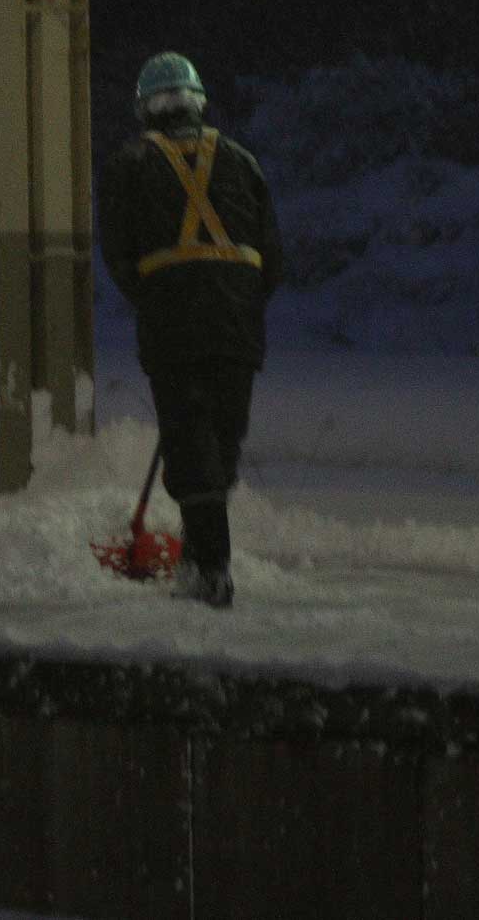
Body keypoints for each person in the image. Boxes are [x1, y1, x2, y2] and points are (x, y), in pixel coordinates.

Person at [97, 52, 283, 609]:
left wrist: (159, 299)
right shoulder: (243, 161)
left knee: (190, 443)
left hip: (174, 323)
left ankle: (208, 572)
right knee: (219, 444)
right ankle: (202, 559)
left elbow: (119, 255)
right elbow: (272, 258)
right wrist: (237, 301)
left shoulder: (130, 163)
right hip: (237, 324)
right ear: (197, 102)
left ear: (146, 108)